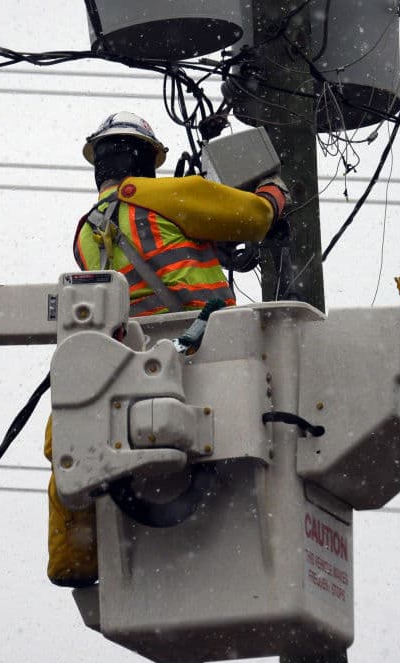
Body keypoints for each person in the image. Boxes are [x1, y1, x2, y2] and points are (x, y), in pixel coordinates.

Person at [45, 112, 288, 587]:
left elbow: (156, 262)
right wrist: (276, 191)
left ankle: (81, 559)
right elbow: (255, 218)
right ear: (145, 161)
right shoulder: (160, 197)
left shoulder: (84, 233)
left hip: (133, 372)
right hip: (208, 351)